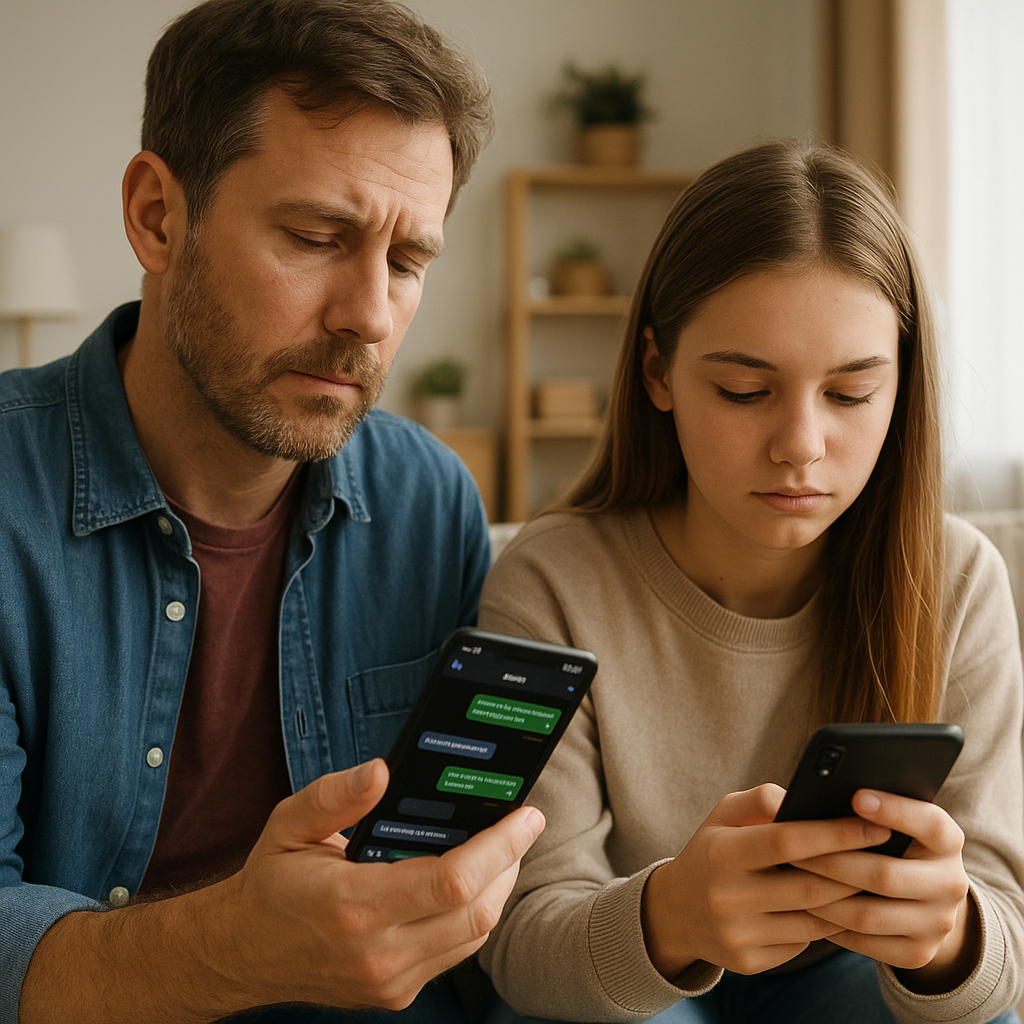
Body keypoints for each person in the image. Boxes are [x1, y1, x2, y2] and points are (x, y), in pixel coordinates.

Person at [0, 1, 545, 1021]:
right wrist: (235, 949)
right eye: (314, 236)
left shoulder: (430, 503)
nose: (369, 315)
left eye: (408, 259)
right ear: (158, 216)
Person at [476, 140, 1024, 1024]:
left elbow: (1006, 945)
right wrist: (673, 917)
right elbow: (520, 944)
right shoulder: (553, 583)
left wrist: (950, 937)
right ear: (657, 371)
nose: (801, 445)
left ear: (901, 387)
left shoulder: (956, 580)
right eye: (742, 390)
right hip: (630, 997)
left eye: (851, 396)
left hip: (853, 984)